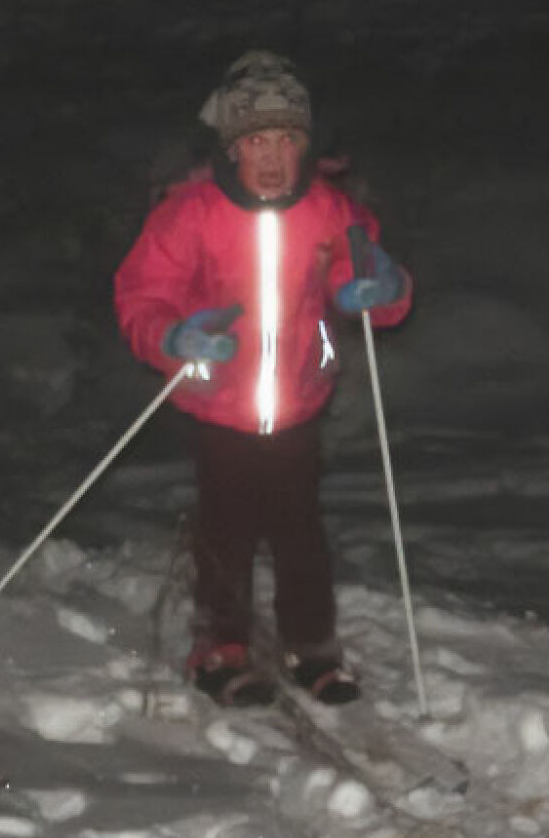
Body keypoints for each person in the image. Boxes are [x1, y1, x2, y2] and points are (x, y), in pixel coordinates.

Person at [114, 51, 412, 707]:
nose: (273, 157)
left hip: (300, 405)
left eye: (286, 140)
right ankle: (221, 647)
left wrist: (381, 290)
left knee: (300, 530)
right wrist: (173, 336)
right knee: (227, 529)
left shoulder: (330, 212)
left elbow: (365, 279)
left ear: (305, 146)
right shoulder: (190, 215)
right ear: (230, 149)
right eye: (256, 141)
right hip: (222, 408)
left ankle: (313, 647)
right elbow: (142, 294)